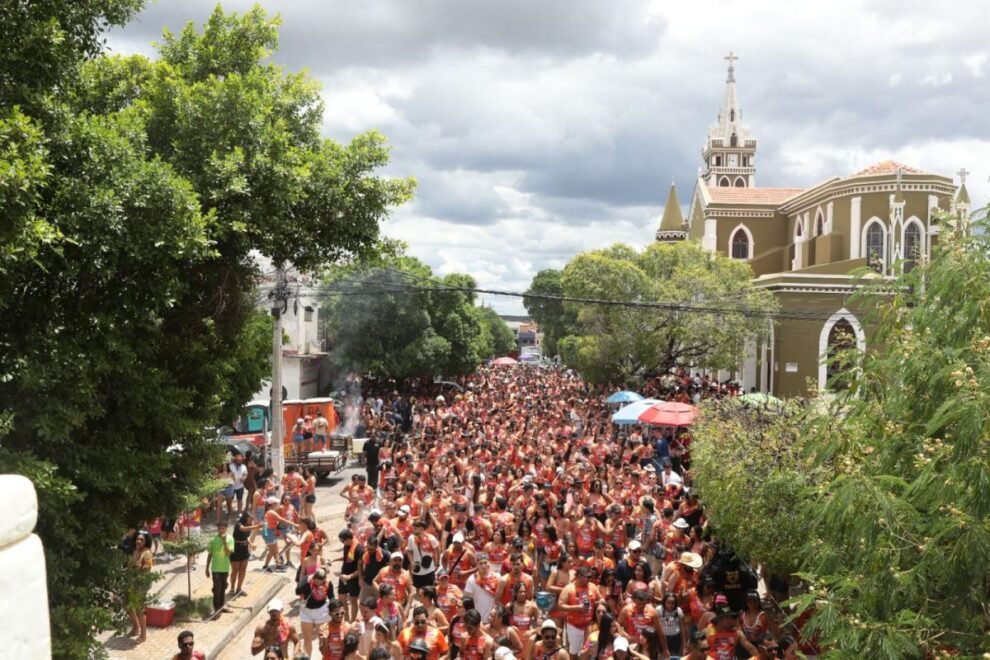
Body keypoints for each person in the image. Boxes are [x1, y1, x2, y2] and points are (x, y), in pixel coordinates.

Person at [298, 567, 335, 656]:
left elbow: (331, 596)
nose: (318, 584)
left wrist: (333, 606)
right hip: (306, 611)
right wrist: (307, 583)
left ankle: (326, 657)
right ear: (314, 577)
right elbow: (297, 591)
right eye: (316, 581)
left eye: (321, 582)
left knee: (322, 639)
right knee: (307, 639)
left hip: (321, 611)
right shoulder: (307, 579)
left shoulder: (328, 583)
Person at [125, 530, 154, 643]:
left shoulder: (147, 553)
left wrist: (139, 567)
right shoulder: (135, 550)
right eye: (138, 539)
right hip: (131, 583)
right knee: (127, 605)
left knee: (140, 609)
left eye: (142, 540)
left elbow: (147, 568)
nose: (139, 541)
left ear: (146, 541)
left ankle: (143, 635)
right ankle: (136, 627)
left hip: (141, 584)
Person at [231, 512, 262, 598]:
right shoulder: (238, 524)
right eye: (249, 518)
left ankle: (239, 588)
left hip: (244, 549)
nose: (251, 520)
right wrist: (257, 526)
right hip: (236, 548)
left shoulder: (248, 525)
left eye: (251, 519)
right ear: (245, 518)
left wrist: (251, 544)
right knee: (235, 570)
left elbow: (246, 537)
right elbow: (243, 529)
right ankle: (232, 588)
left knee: (243, 569)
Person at [206, 521, 235, 613]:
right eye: (219, 529)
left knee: (223, 587)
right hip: (215, 568)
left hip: (225, 568)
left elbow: (228, 553)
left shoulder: (230, 539)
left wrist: (224, 542)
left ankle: (222, 606)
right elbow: (210, 554)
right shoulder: (213, 540)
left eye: (223, 528)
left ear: (226, 529)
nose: (221, 530)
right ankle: (216, 608)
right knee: (217, 589)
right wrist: (207, 568)